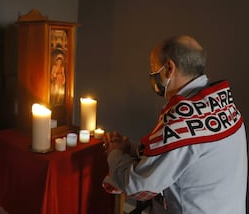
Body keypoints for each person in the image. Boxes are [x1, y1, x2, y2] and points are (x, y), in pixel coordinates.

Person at [102, 35, 247, 213]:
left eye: (153, 68)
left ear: (169, 68)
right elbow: (183, 157)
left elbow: (139, 186)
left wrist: (114, 154)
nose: (152, 75)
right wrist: (131, 147)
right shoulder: (223, 106)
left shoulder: (182, 120)